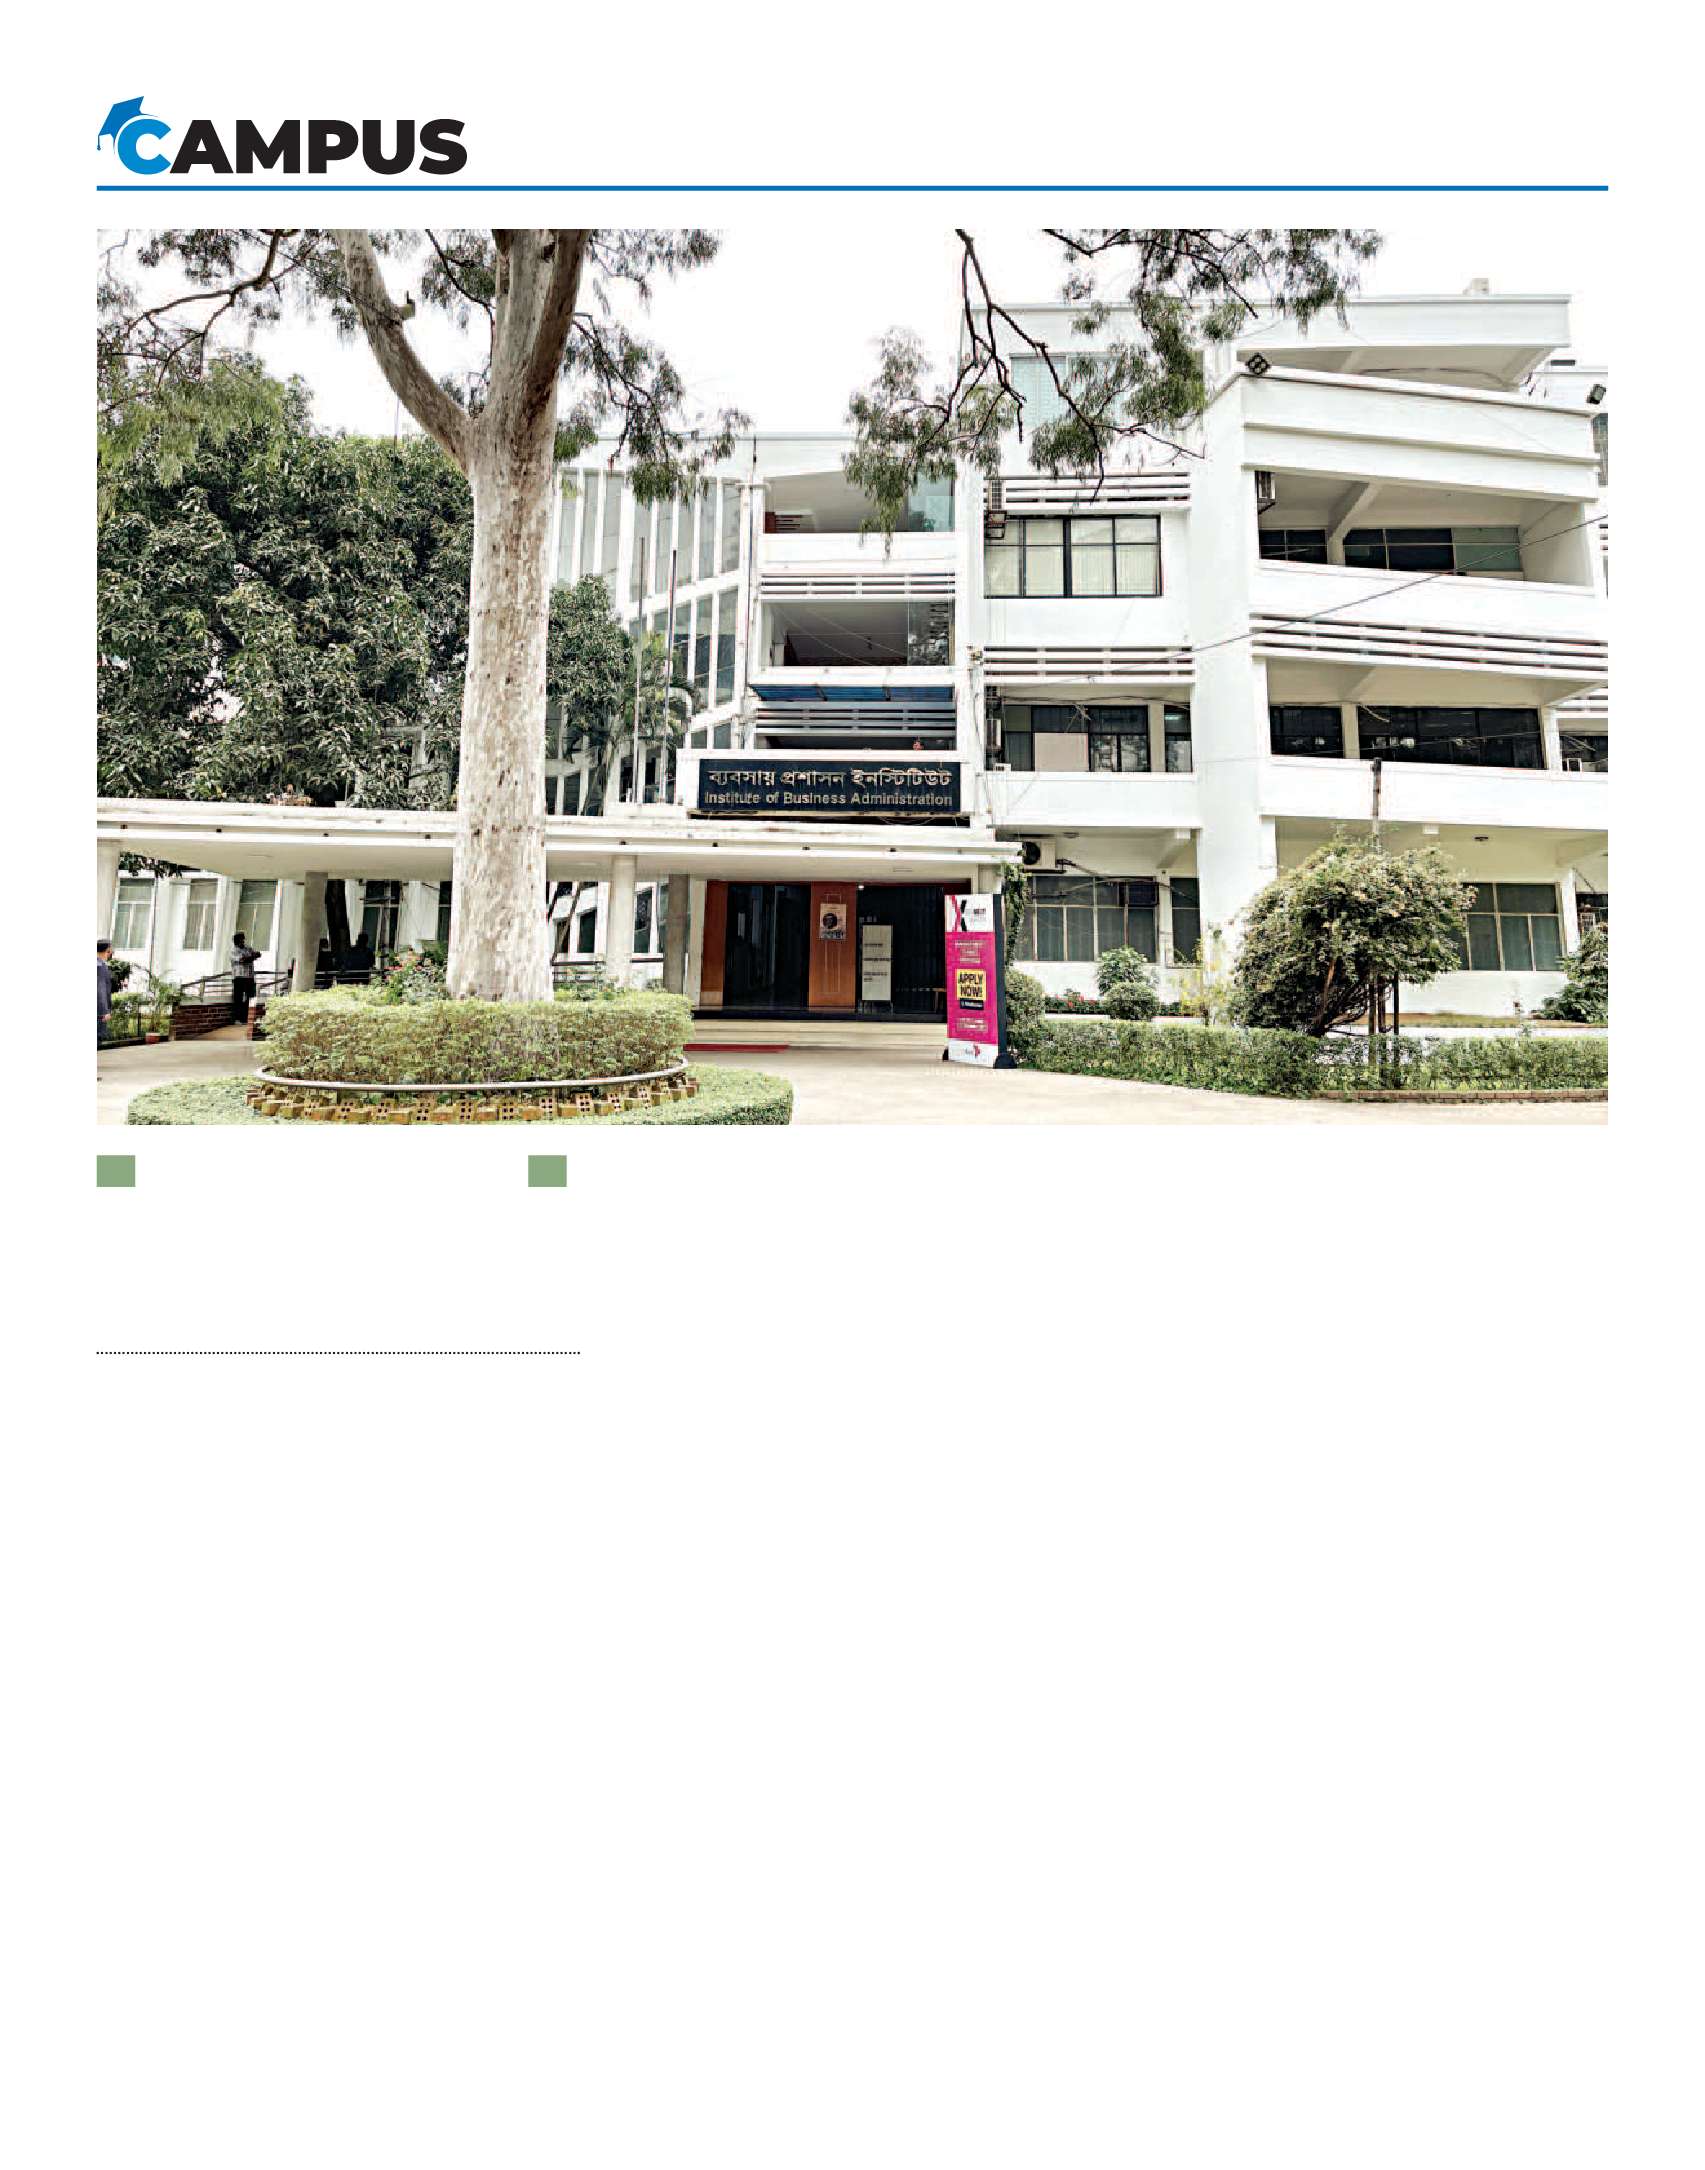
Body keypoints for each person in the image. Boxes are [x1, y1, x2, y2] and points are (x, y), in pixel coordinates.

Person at [229, 929, 261, 1024]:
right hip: (239, 977)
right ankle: (237, 1018)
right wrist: (252, 957)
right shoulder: (233, 951)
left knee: (251, 997)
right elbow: (243, 959)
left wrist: (253, 956)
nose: (242, 941)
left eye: (243, 939)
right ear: (236, 941)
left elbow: (258, 954)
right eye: (240, 940)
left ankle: (247, 1018)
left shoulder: (248, 948)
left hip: (249, 976)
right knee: (238, 998)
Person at [96, 939, 114, 1049]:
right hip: (98, 1013)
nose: (111, 953)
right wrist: (105, 1012)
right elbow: (100, 989)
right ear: (107, 950)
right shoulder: (100, 967)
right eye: (110, 951)